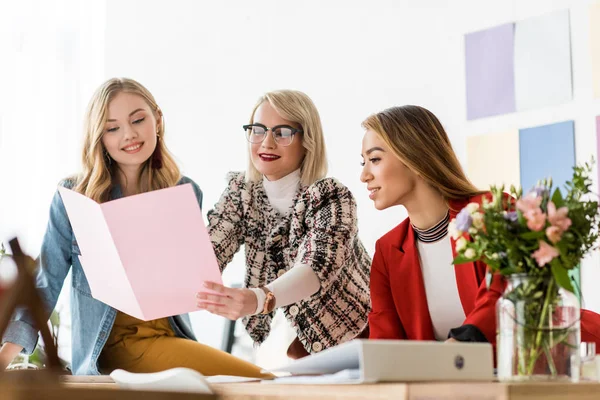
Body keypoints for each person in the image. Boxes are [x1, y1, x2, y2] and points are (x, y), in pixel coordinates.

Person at [0, 78, 267, 377]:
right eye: (112, 128)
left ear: (158, 120)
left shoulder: (185, 191)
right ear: (99, 137)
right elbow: (46, 281)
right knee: (257, 380)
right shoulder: (74, 196)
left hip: (170, 337)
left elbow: (187, 279)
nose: (129, 135)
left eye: (138, 119)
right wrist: (6, 355)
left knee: (255, 381)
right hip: (113, 346)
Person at [360, 104, 600, 348]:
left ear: (413, 157)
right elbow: (385, 344)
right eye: (364, 163)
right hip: (470, 380)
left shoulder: (494, 212)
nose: (364, 175)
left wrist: (461, 343)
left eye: (375, 159)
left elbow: (505, 292)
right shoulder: (387, 252)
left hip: (567, 357)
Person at [196, 90, 371, 358]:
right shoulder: (242, 192)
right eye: (258, 130)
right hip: (282, 341)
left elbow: (315, 268)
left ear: (307, 141)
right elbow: (210, 250)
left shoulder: (331, 197)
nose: (266, 142)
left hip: (352, 341)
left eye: (282, 132)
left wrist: (257, 298)